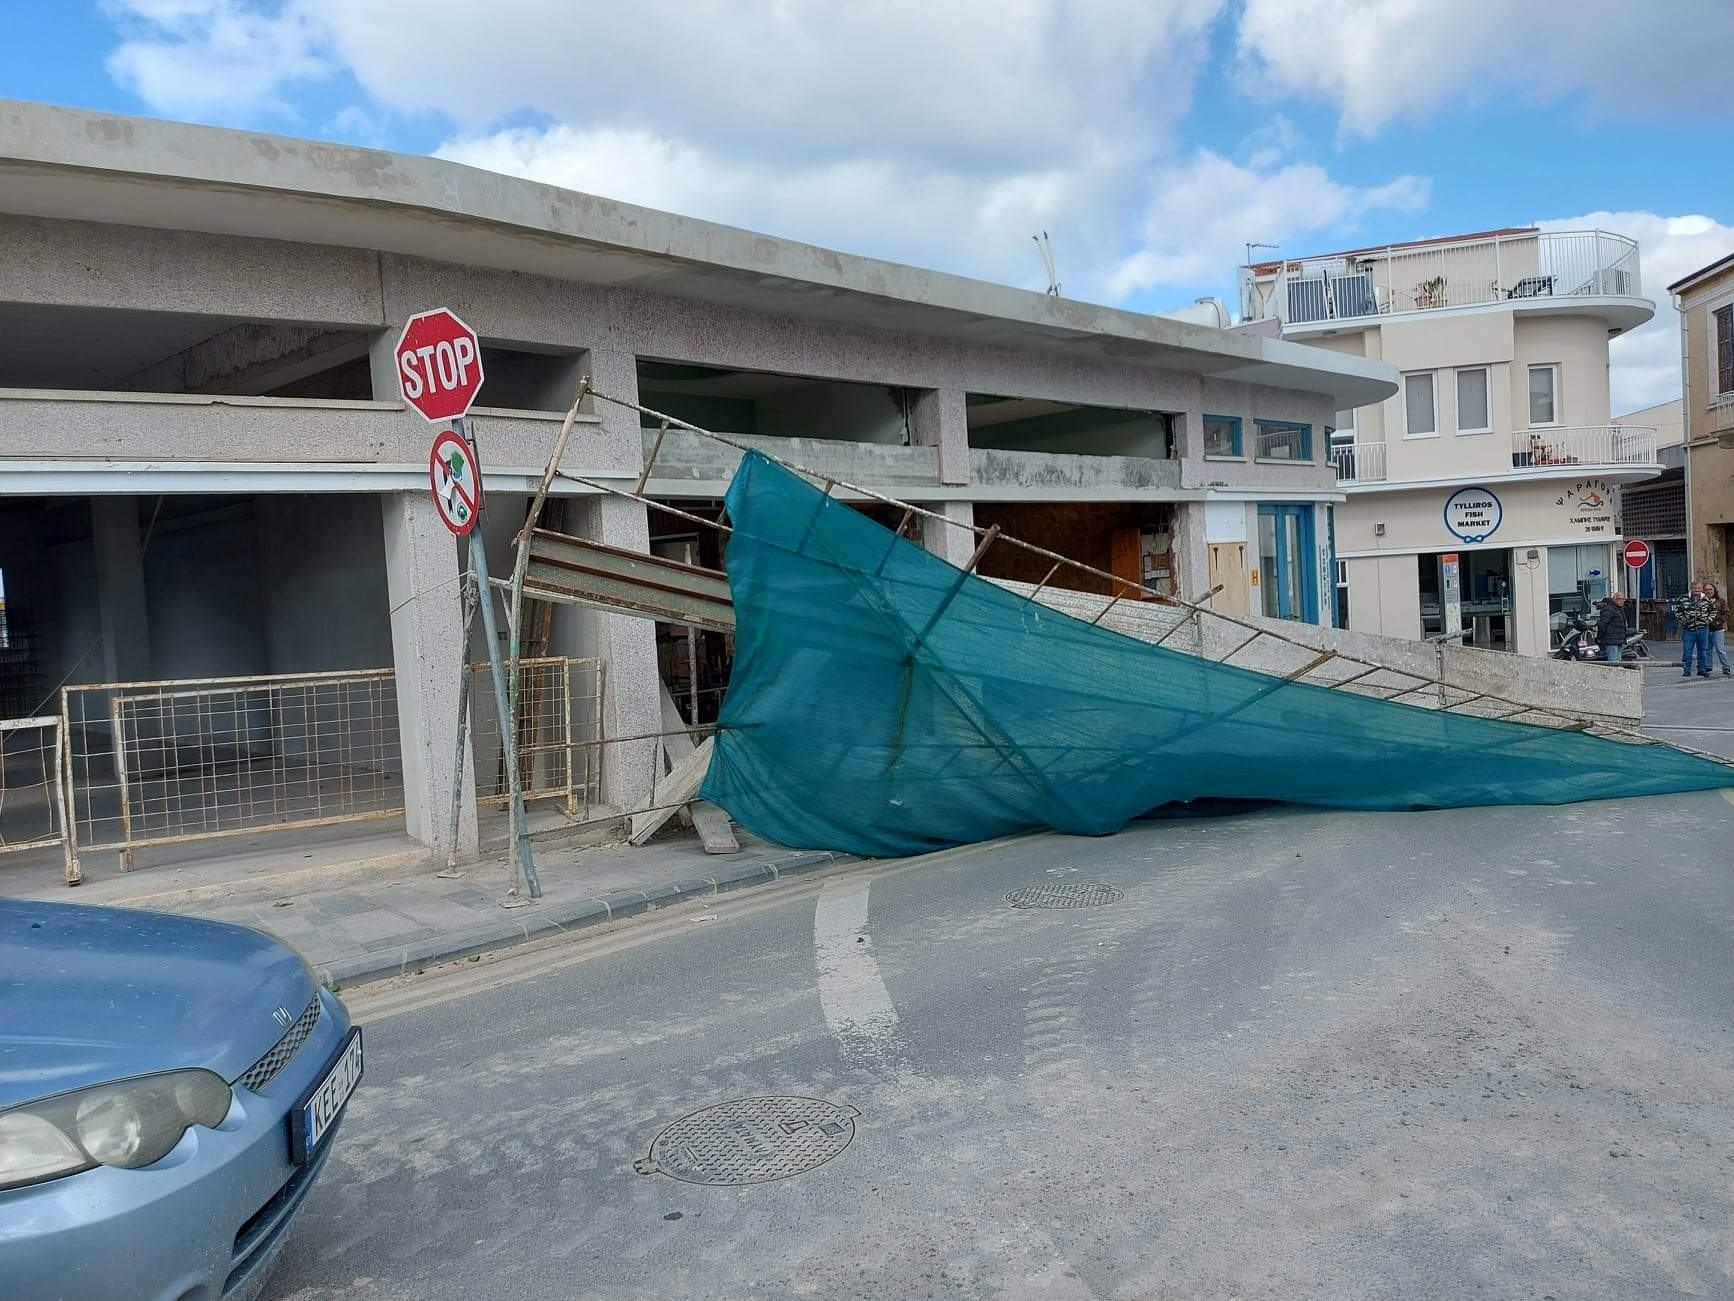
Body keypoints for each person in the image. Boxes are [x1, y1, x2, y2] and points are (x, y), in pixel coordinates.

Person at [1674, 581, 1713, 679]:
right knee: (1687, 651)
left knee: (1703, 650)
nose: (1697, 590)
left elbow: (1713, 611)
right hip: (1689, 629)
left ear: (1701, 589)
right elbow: (1678, 612)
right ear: (1691, 589)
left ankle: (1702, 669)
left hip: (1703, 629)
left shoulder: (1706, 599)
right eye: (1695, 588)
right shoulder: (1683, 599)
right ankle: (1687, 670)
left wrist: (1708, 620)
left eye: (1699, 588)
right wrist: (1683, 621)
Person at [1594, 590, 1630, 664]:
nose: (1621, 601)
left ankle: (1617, 674)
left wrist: (1599, 638)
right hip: (1613, 639)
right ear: (1614, 599)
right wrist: (1599, 637)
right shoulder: (1610, 609)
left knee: (1616, 661)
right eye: (1619, 599)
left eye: (1623, 599)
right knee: (1615, 660)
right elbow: (1602, 624)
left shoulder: (1617, 609)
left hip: (1616, 639)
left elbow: (1602, 624)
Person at [1706, 579, 1731, 677]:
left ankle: (1726, 667)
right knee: (1707, 650)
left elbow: (1727, 613)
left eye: (1710, 589)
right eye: (1706, 590)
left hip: (1718, 629)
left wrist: (1719, 622)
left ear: (1714, 590)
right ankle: (1708, 666)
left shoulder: (1721, 601)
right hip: (1706, 629)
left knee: (1720, 650)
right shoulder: (1703, 602)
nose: (1709, 591)